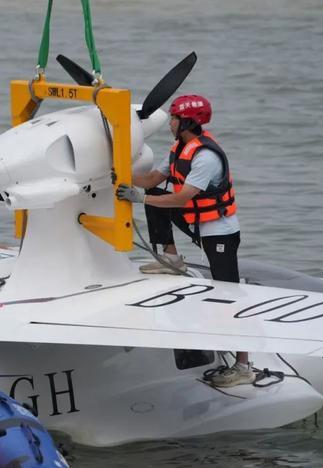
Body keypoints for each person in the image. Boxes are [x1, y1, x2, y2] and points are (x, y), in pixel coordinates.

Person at [116, 94, 253, 387]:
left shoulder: (205, 158)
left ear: (188, 122)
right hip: (198, 222)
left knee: (229, 295)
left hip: (220, 234)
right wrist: (118, 173)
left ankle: (244, 366)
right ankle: (171, 259)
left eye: (175, 118)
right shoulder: (181, 147)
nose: (170, 123)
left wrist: (138, 197)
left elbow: (180, 197)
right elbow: (152, 180)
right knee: (155, 199)